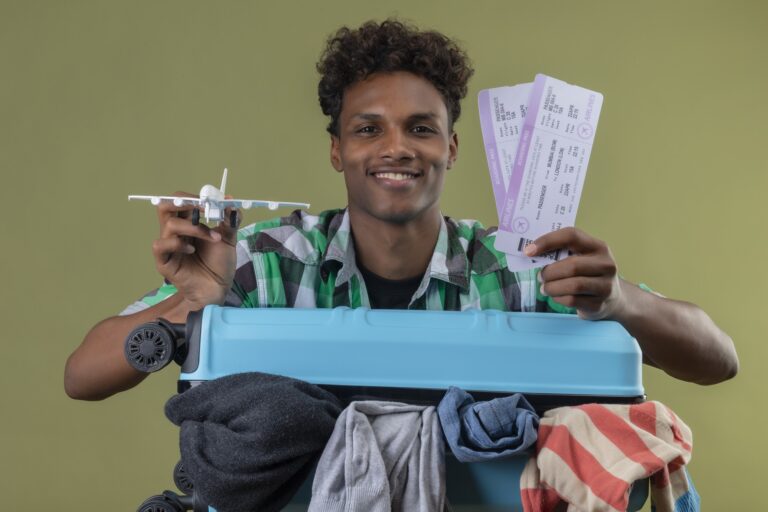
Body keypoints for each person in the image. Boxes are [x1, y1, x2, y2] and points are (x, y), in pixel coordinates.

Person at [65, 20, 738, 401]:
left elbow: (718, 357)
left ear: (450, 147)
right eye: (368, 129)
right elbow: (83, 376)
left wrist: (620, 302)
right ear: (337, 151)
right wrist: (198, 298)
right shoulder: (262, 262)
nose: (397, 148)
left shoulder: (520, 266)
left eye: (420, 129)